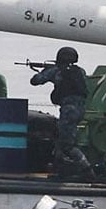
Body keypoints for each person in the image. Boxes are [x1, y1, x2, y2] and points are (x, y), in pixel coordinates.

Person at [30, 46, 94, 181]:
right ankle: (60, 169)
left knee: (67, 144)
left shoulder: (57, 71)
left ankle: (87, 169)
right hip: (80, 110)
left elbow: (35, 80)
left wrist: (45, 71)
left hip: (68, 110)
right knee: (60, 139)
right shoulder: (80, 71)